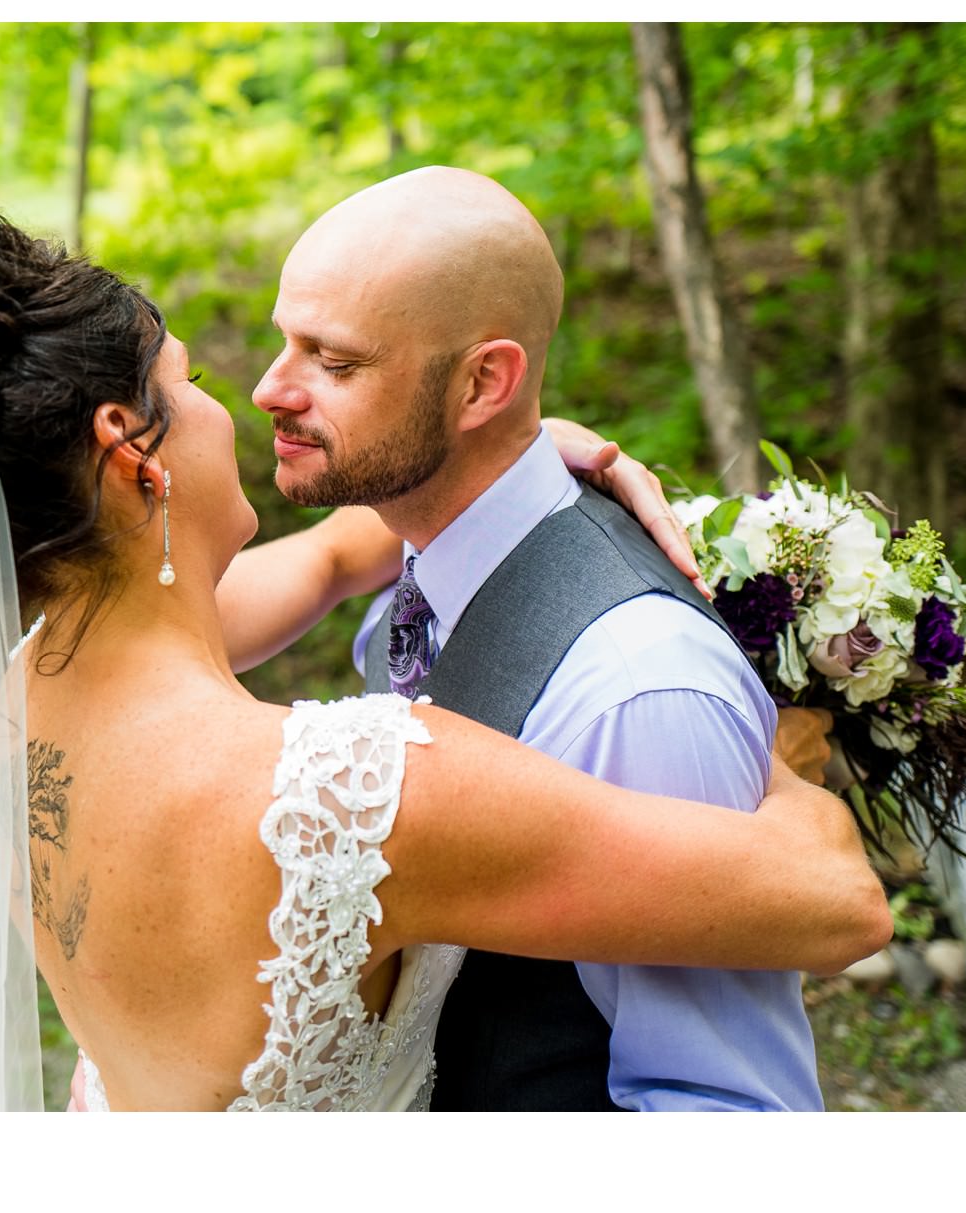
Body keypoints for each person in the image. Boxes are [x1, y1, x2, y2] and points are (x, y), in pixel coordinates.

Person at [0, 204, 889, 1112]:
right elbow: (837, 901)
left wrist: (514, 453)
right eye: (195, 384)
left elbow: (329, 556)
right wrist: (784, 745)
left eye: (323, 356)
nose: (255, 395)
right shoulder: (357, 793)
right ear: (132, 453)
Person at [247, 166, 832, 1110]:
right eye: (287, 343)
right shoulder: (429, 552)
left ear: (485, 381)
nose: (273, 388)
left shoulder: (637, 689)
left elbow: (722, 1105)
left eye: (336, 362)